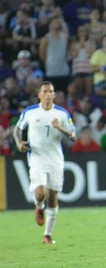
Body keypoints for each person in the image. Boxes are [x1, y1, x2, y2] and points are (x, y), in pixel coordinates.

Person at [12, 82, 76, 244]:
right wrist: (19, 143)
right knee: (41, 193)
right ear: (39, 94)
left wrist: (60, 128)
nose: (48, 94)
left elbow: (74, 137)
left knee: (53, 196)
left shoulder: (62, 114)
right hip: (37, 158)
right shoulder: (30, 112)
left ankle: (47, 235)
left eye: (51, 92)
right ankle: (39, 208)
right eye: (45, 91)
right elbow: (17, 129)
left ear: (54, 95)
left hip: (56, 160)